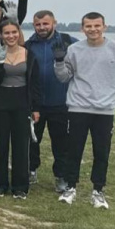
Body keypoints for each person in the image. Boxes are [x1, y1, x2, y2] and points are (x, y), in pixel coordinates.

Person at [54, 12, 115, 208]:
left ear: (104, 27)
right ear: (82, 29)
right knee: (74, 151)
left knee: (101, 153)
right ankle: (70, 188)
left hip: (104, 110)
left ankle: (98, 191)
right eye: (88, 26)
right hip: (78, 108)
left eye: (97, 26)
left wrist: (109, 88)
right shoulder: (74, 49)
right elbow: (64, 77)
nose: (93, 30)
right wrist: (58, 62)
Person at [0, 20, 41, 199]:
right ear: (1, 35)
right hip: (0, 103)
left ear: (19, 33)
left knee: (21, 146)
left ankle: (20, 187)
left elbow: (34, 84)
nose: (10, 36)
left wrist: (35, 108)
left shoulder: (29, 54)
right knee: (0, 145)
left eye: (14, 32)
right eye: (6, 33)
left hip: (22, 104)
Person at [24, 10, 77, 191]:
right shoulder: (28, 45)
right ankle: (30, 170)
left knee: (61, 142)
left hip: (61, 101)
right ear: (34, 26)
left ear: (54, 22)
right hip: (35, 103)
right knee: (31, 139)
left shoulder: (68, 42)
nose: (42, 28)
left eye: (45, 24)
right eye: (38, 25)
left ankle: (61, 176)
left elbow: (86, 58)